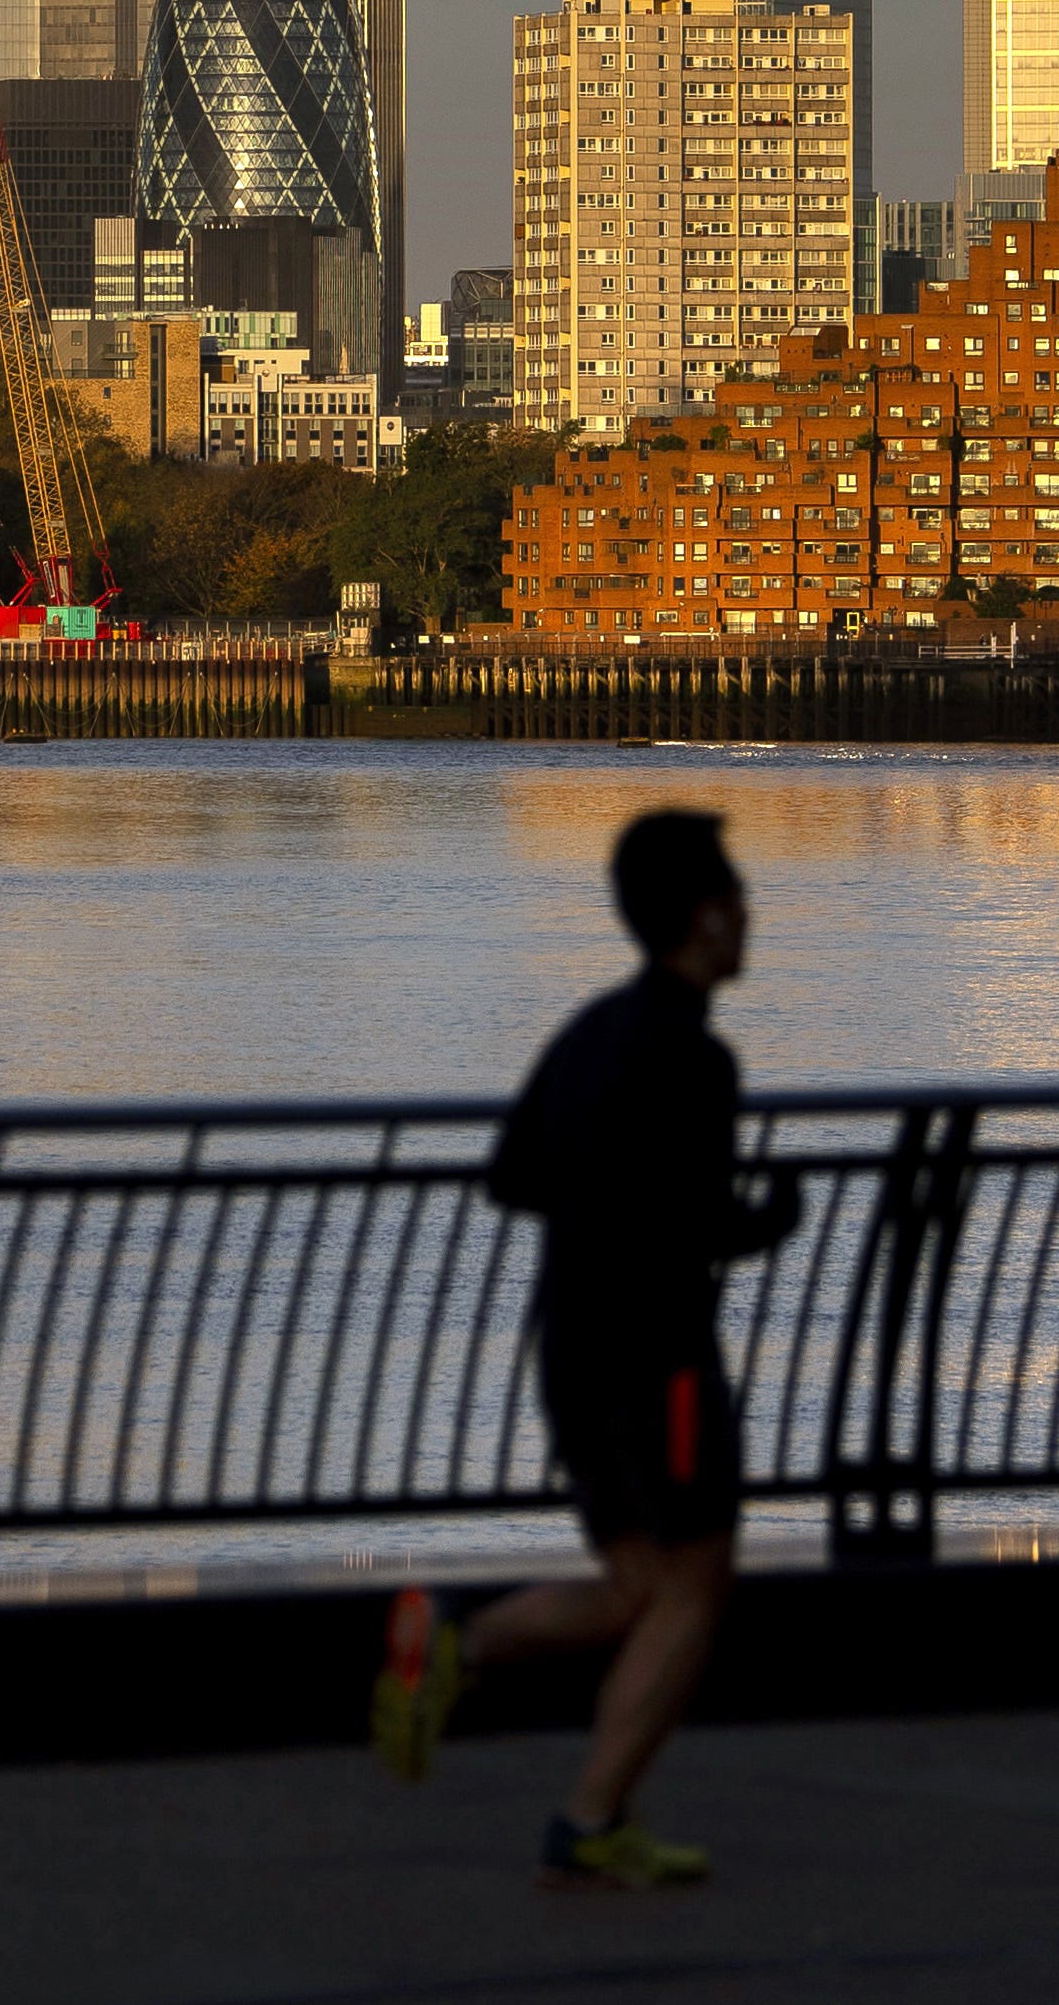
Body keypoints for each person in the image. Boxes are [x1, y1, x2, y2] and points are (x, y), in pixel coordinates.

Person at [371, 806, 799, 1888]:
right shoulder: (696, 1057)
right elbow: (701, 1222)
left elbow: (511, 1175)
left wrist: (604, 1193)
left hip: (570, 1348)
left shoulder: (590, 1030)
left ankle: (460, 1637)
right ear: (702, 918)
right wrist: (772, 1215)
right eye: (736, 895)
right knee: (694, 1591)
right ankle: (591, 1813)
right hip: (661, 1361)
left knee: (636, 1584)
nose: (749, 913)